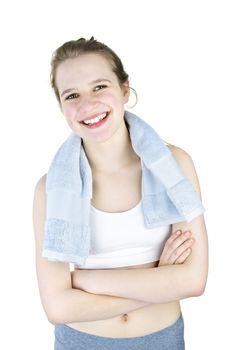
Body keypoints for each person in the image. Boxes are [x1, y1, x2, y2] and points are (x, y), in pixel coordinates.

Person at [33, 37, 208, 350]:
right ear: (62, 107)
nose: (87, 104)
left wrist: (84, 281)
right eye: (72, 95)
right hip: (81, 342)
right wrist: (160, 281)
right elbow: (58, 308)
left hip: (162, 340)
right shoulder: (50, 190)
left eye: (99, 87)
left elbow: (193, 281)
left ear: (125, 90)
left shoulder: (174, 166)